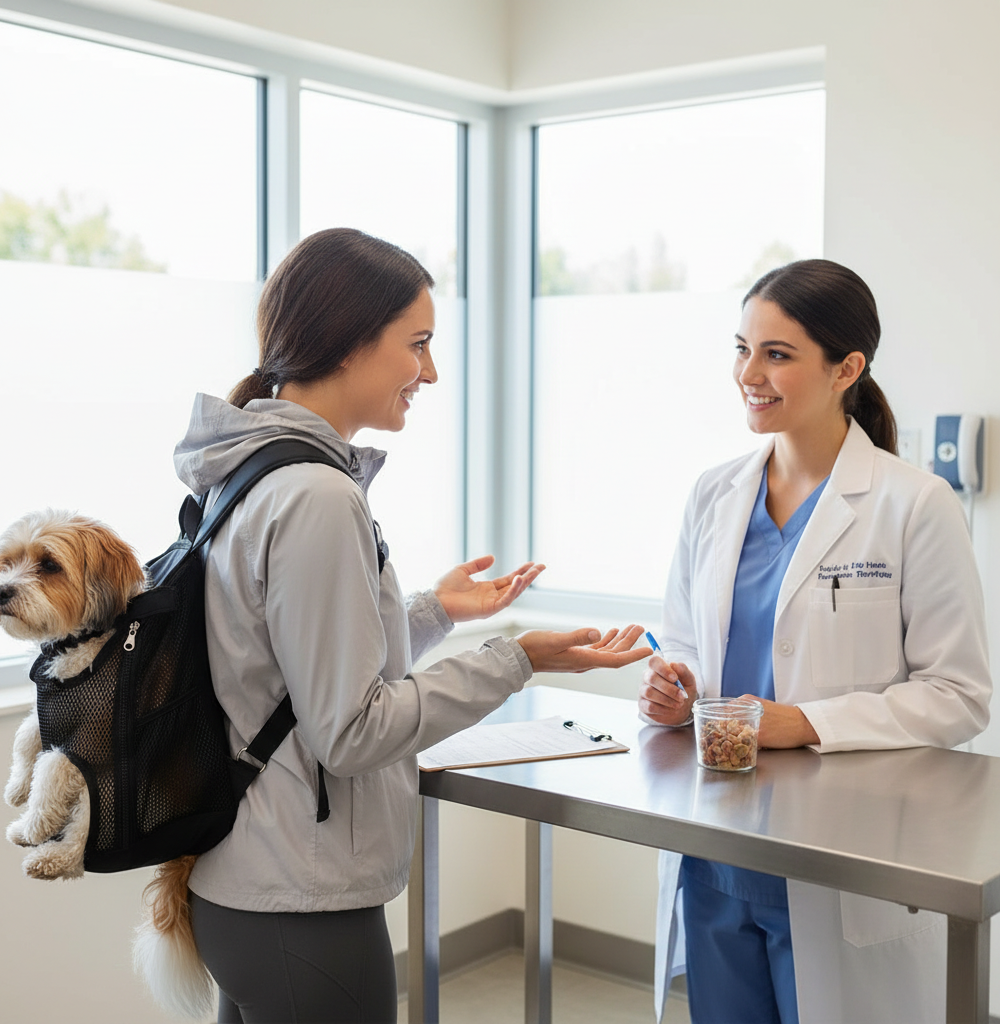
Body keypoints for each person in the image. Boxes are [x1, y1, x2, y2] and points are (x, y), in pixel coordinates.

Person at [173, 227, 650, 1024]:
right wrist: (515, 660)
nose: (429, 372)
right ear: (349, 342)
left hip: (249, 885)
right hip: (303, 907)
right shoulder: (316, 496)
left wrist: (432, 611)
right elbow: (352, 730)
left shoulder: (253, 467)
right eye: (417, 344)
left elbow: (290, 664)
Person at [638, 259, 990, 1024]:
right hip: (716, 850)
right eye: (742, 348)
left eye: (778, 354)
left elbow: (960, 697)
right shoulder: (714, 492)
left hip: (841, 860)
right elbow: (687, 644)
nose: (749, 374)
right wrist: (673, 690)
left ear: (847, 368)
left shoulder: (914, 504)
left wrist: (807, 724)